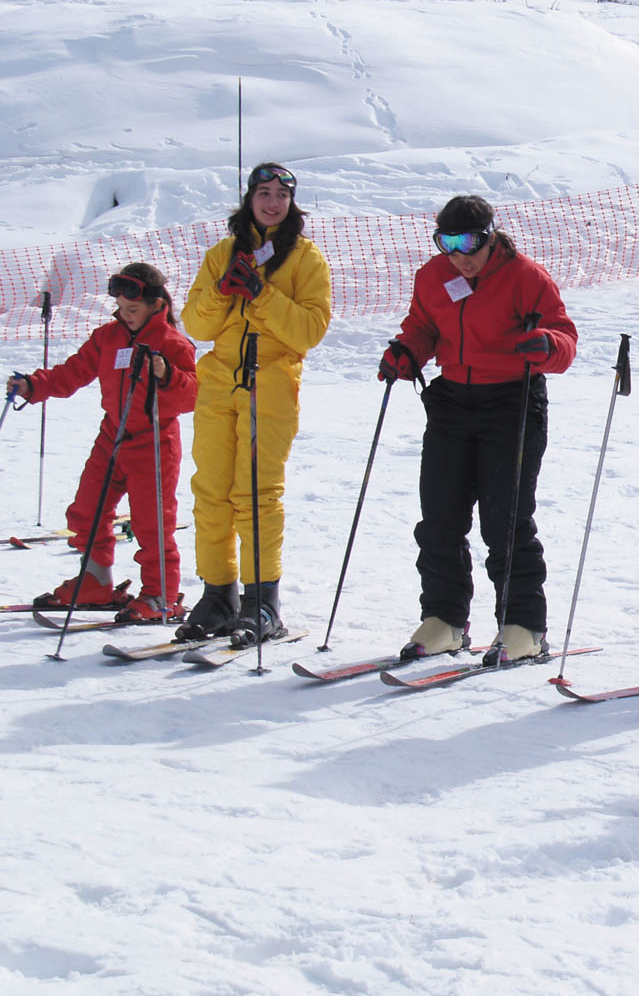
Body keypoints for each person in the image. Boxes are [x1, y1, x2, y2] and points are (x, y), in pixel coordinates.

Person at [379, 195, 578, 665]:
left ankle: (523, 625)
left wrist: (545, 344)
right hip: (451, 400)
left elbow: (565, 338)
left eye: (470, 242)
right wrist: (407, 352)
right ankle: (445, 619)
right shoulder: (434, 275)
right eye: (448, 243)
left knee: (504, 520)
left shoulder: (525, 276)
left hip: (512, 401)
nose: (461, 255)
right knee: (440, 518)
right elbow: (423, 325)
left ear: (490, 236)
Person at [176, 163, 332, 644]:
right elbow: (195, 326)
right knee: (211, 491)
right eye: (264, 193)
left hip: (272, 380)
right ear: (249, 198)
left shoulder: (306, 259)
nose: (272, 202)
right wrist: (224, 291)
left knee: (257, 493)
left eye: (281, 195)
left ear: (292, 202)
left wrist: (261, 294)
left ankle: (262, 602)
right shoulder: (222, 253)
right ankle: (217, 595)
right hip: (220, 379)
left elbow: (309, 330)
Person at [13, 263, 197, 622]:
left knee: (151, 523)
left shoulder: (173, 344)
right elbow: (72, 373)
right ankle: (95, 581)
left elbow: (189, 398)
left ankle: (161, 594)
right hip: (111, 437)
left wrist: (166, 375)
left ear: (156, 305)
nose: (126, 316)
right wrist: (34, 386)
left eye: (134, 310)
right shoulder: (108, 337)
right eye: (122, 309)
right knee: (86, 509)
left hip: (154, 443)